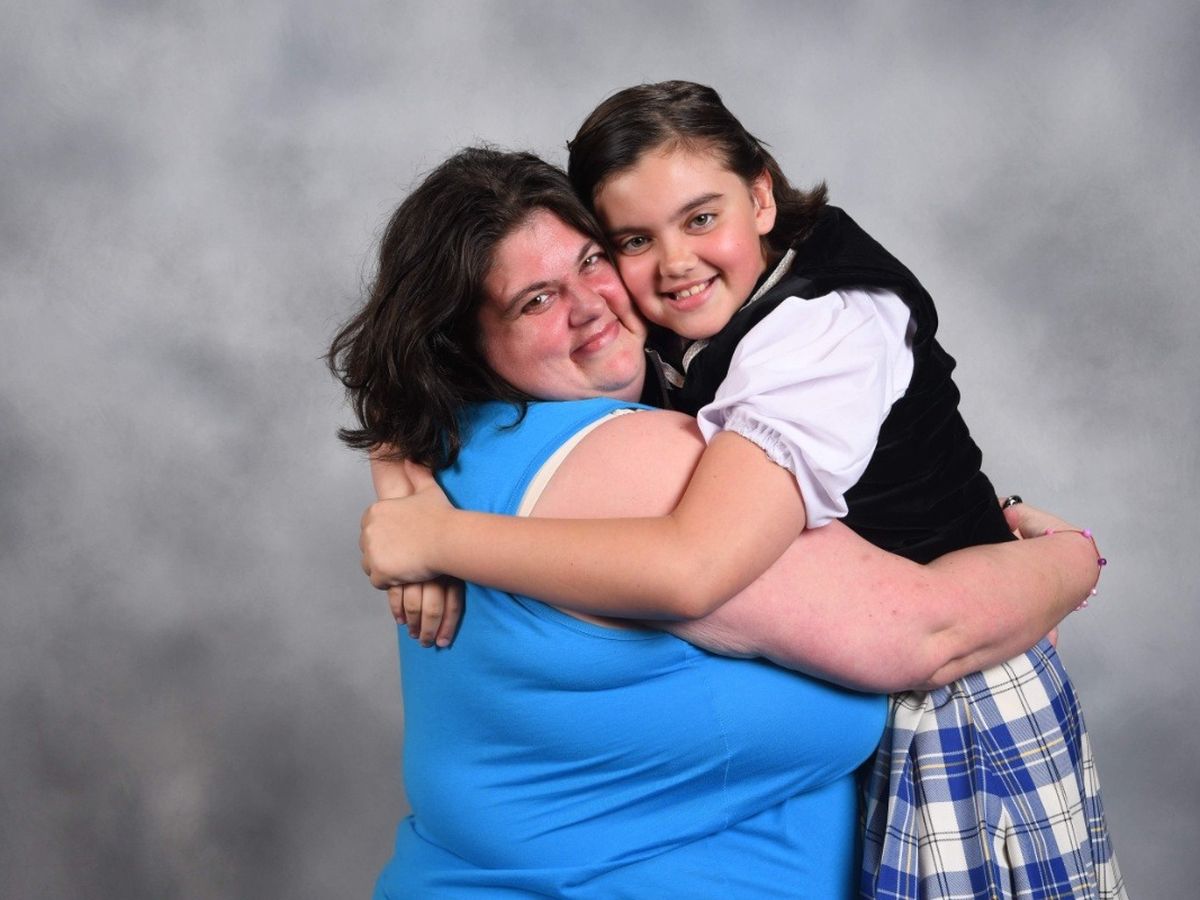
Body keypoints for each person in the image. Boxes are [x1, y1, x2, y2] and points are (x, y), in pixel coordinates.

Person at [363, 82, 1125, 898]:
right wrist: (1071, 558)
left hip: (966, 696)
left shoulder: (806, 333)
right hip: (950, 665)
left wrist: (418, 508)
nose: (596, 304)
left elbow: (694, 561)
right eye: (538, 299)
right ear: (461, 343)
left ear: (761, 195)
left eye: (590, 262)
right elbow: (895, 626)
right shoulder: (632, 431)